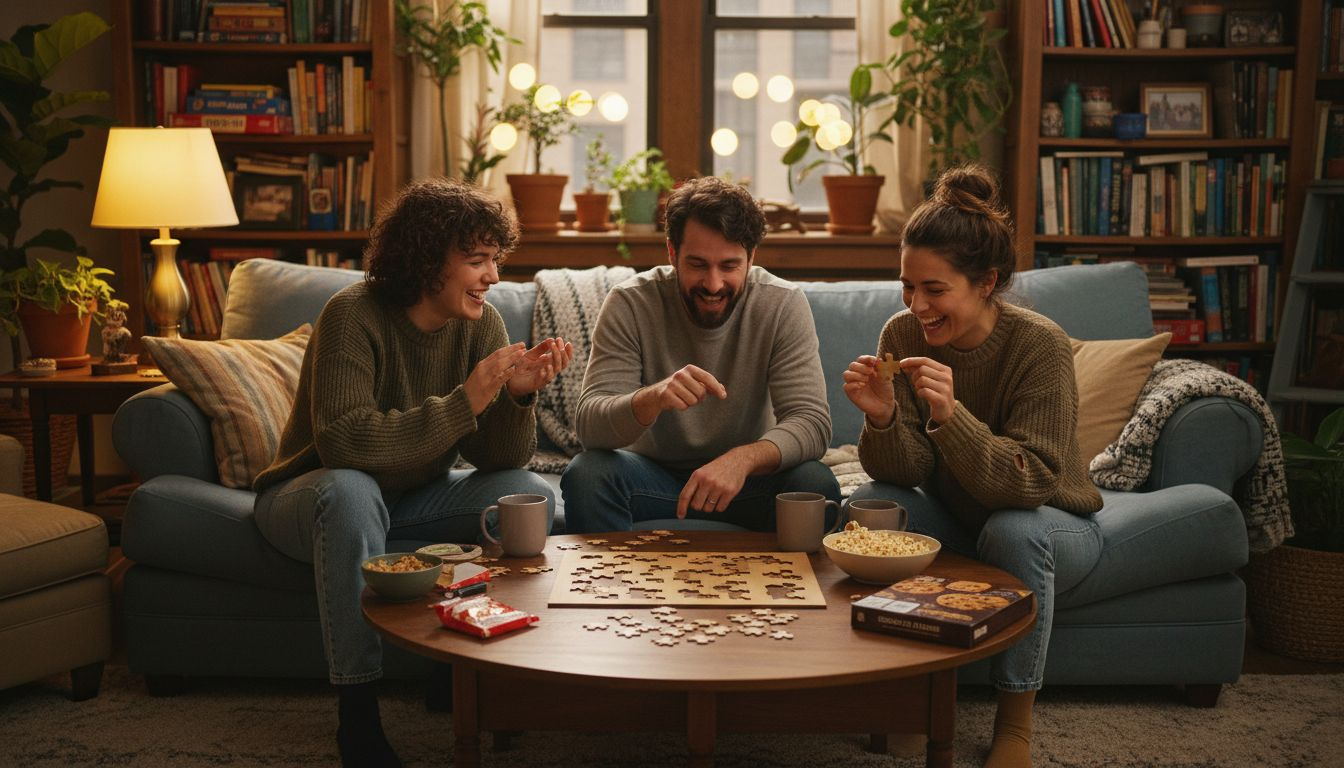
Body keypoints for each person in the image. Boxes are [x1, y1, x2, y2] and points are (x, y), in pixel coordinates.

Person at [251, 178, 573, 768]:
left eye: (495, 260)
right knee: (352, 490)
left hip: (413, 497)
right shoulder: (352, 315)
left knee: (526, 494)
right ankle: (357, 710)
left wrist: (516, 397)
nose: (493, 277)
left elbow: (500, 462)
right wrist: (464, 402)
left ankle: (461, 668)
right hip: (312, 495)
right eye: (477, 261)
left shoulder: (483, 323)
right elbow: (344, 441)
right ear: (427, 262)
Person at [842, 166, 1103, 768]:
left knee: (1011, 528)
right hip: (959, 516)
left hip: (1049, 520)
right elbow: (903, 469)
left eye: (935, 289)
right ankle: (905, 696)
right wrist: (883, 419)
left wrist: (951, 416)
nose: (917, 305)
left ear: (986, 282)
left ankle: (1014, 723)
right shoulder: (902, 331)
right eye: (907, 285)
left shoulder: (1039, 345)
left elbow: (1031, 481)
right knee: (877, 499)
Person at [562, 175, 838, 532]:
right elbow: (590, 426)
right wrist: (653, 398)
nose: (713, 284)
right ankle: (605, 589)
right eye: (697, 265)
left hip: (748, 482)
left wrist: (743, 459)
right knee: (588, 474)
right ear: (672, 253)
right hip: (654, 480)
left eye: (729, 265)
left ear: (751, 258)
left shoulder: (782, 304)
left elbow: (812, 423)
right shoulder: (630, 302)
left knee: (815, 484)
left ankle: (792, 590)